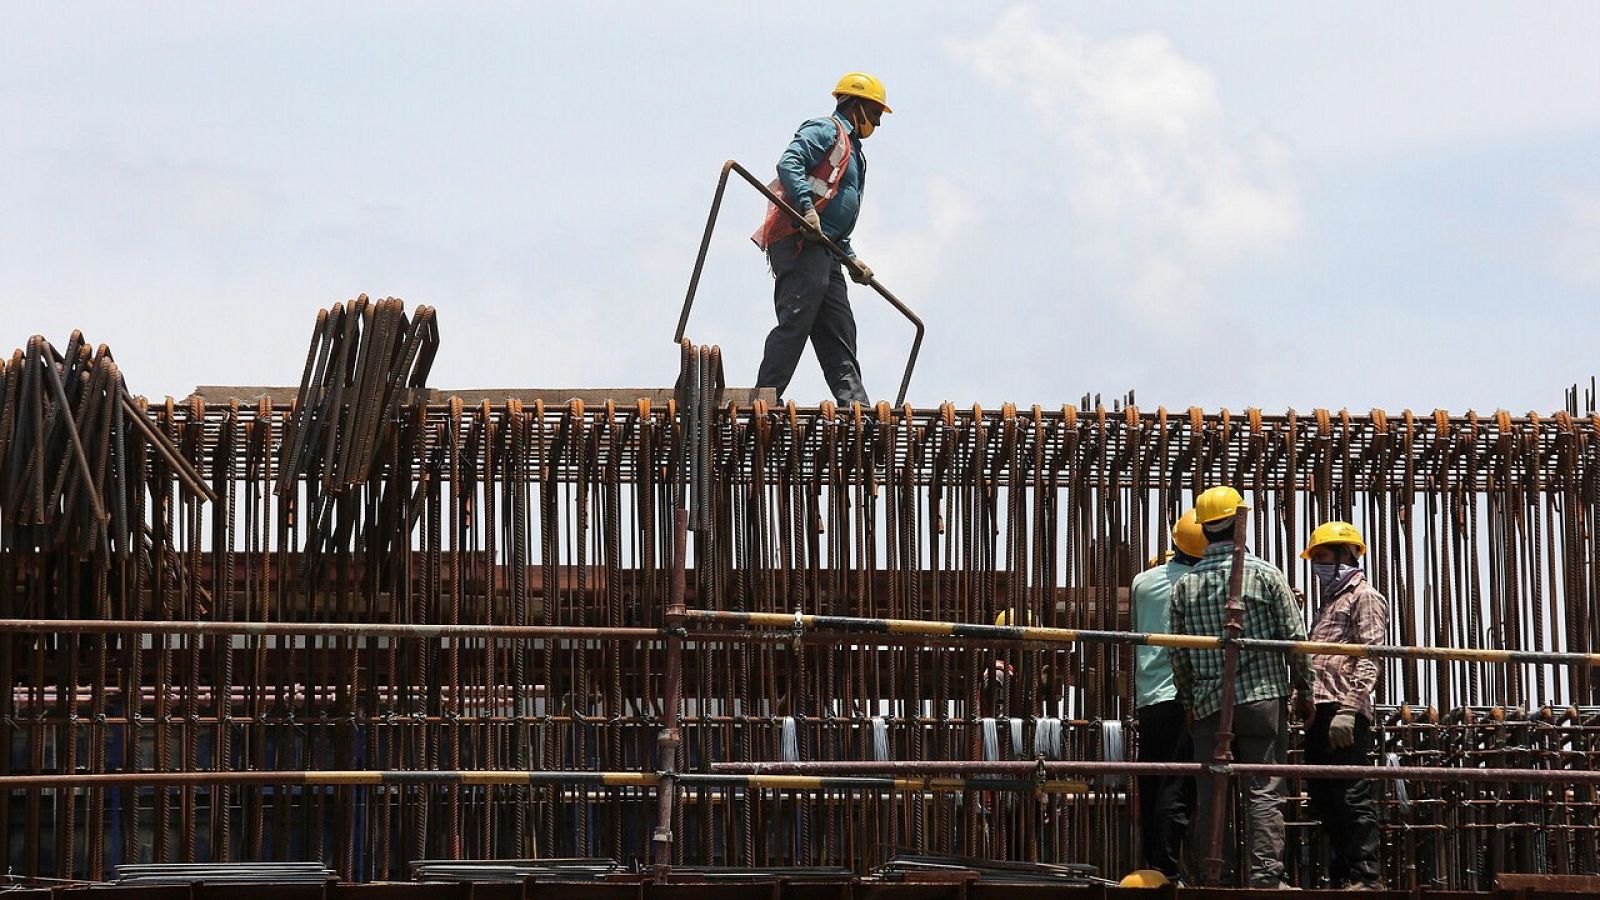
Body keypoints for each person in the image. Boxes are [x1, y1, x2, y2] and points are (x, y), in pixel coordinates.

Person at [1169, 486, 1313, 888]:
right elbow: (1295, 639)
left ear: (1204, 530)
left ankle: (1216, 877)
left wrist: (1188, 700)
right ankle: (1266, 879)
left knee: (1212, 791)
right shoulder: (1266, 575)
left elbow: (1178, 654)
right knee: (1264, 789)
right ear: (1241, 525)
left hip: (1208, 704)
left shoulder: (1185, 585)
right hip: (1262, 698)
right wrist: (1305, 690)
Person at [751, 72, 889, 407]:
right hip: (801, 242)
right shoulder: (826, 130)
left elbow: (835, 213)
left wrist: (850, 258)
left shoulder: (855, 153)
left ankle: (856, 409)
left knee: (839, 330)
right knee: (797, 319)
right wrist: (806, 209)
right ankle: (766, 399)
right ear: (855, 104)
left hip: (828, 251)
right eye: (874, 113)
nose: (877, 123)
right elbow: (789, 163)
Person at [1300, 521, 1389, 890]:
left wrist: (1350, 709)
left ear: (1346, 554)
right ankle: (1342, 873)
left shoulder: (1364, 597)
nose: (1317, 565)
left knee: (1350, 793)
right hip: (1321, 709)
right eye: (1315, 559)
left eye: (1322, 556)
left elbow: (1371, 656)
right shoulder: (1329, 602)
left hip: (1342, 709)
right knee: (1324, 795)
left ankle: (1365, 876)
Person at [1128, 509, 1206, 881]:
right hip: (1186, 695)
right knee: (1179, 786)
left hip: (1148, 696)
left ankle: (1153, 867)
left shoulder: (1142, 582)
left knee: (1152, 782)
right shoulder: (1202, 584)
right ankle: (1168, 870)